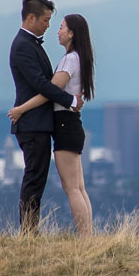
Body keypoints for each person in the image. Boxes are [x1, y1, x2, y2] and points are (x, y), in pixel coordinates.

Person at [9, 13, 94, 236]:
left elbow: (50, 92)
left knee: (72, 188)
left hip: (65, 124)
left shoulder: (69, 60)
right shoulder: (79, 58)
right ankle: (89, 238)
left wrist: (21, 109)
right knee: (79, 187)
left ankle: (86, 239)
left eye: (62, 27)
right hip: (72, 123)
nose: (57, 31)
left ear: (72, 33)